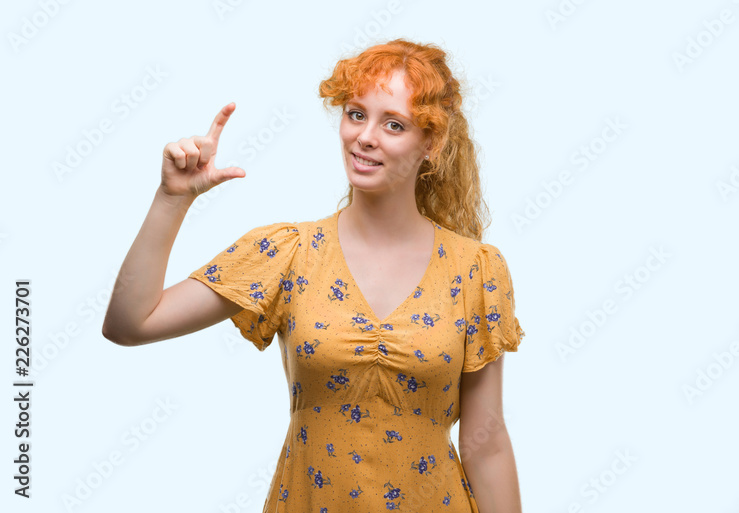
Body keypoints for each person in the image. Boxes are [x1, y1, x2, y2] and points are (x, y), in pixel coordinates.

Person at [102, 38, 525, 513]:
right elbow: (129, 324)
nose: (365, 136)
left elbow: (485, 443)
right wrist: (172, 198)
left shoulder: (476, 269)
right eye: (356, 113)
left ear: (431, 143)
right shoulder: (288, 252)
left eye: (394, 124)